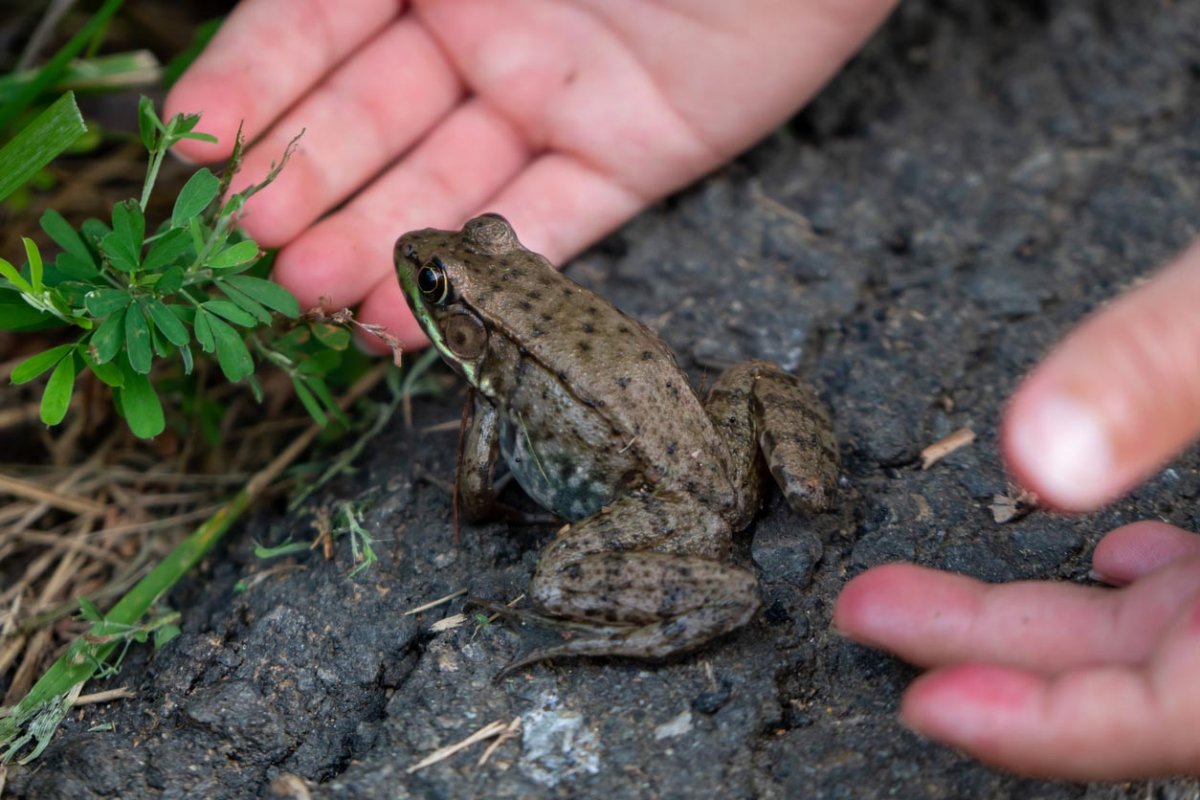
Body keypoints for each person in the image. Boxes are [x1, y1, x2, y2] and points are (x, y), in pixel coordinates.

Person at [165, 0, 1200, 780]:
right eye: (445, 282)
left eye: (444, 282)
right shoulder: (515, 345)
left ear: (472, 319)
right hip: (717, 451)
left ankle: (670, 606)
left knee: (555, 581)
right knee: (743, 380)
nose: (426, 274)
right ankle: (812, 487)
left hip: (674, 506)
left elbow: (481, 496)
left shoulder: (490, 383)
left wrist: (488, 493)